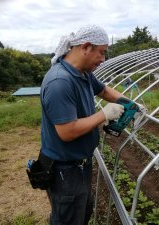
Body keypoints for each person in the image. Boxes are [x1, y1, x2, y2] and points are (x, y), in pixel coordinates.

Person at [40, 25, 127, 225]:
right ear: (86, 47)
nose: (104, 59)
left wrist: (130, 104)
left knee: (81, 213)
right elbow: (67, 132)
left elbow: (104, 91)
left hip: (78, 165)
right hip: (65, 169)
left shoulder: (83, 73)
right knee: (68, 219)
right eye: (102, 52)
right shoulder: (60, 82)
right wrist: (103, 114)